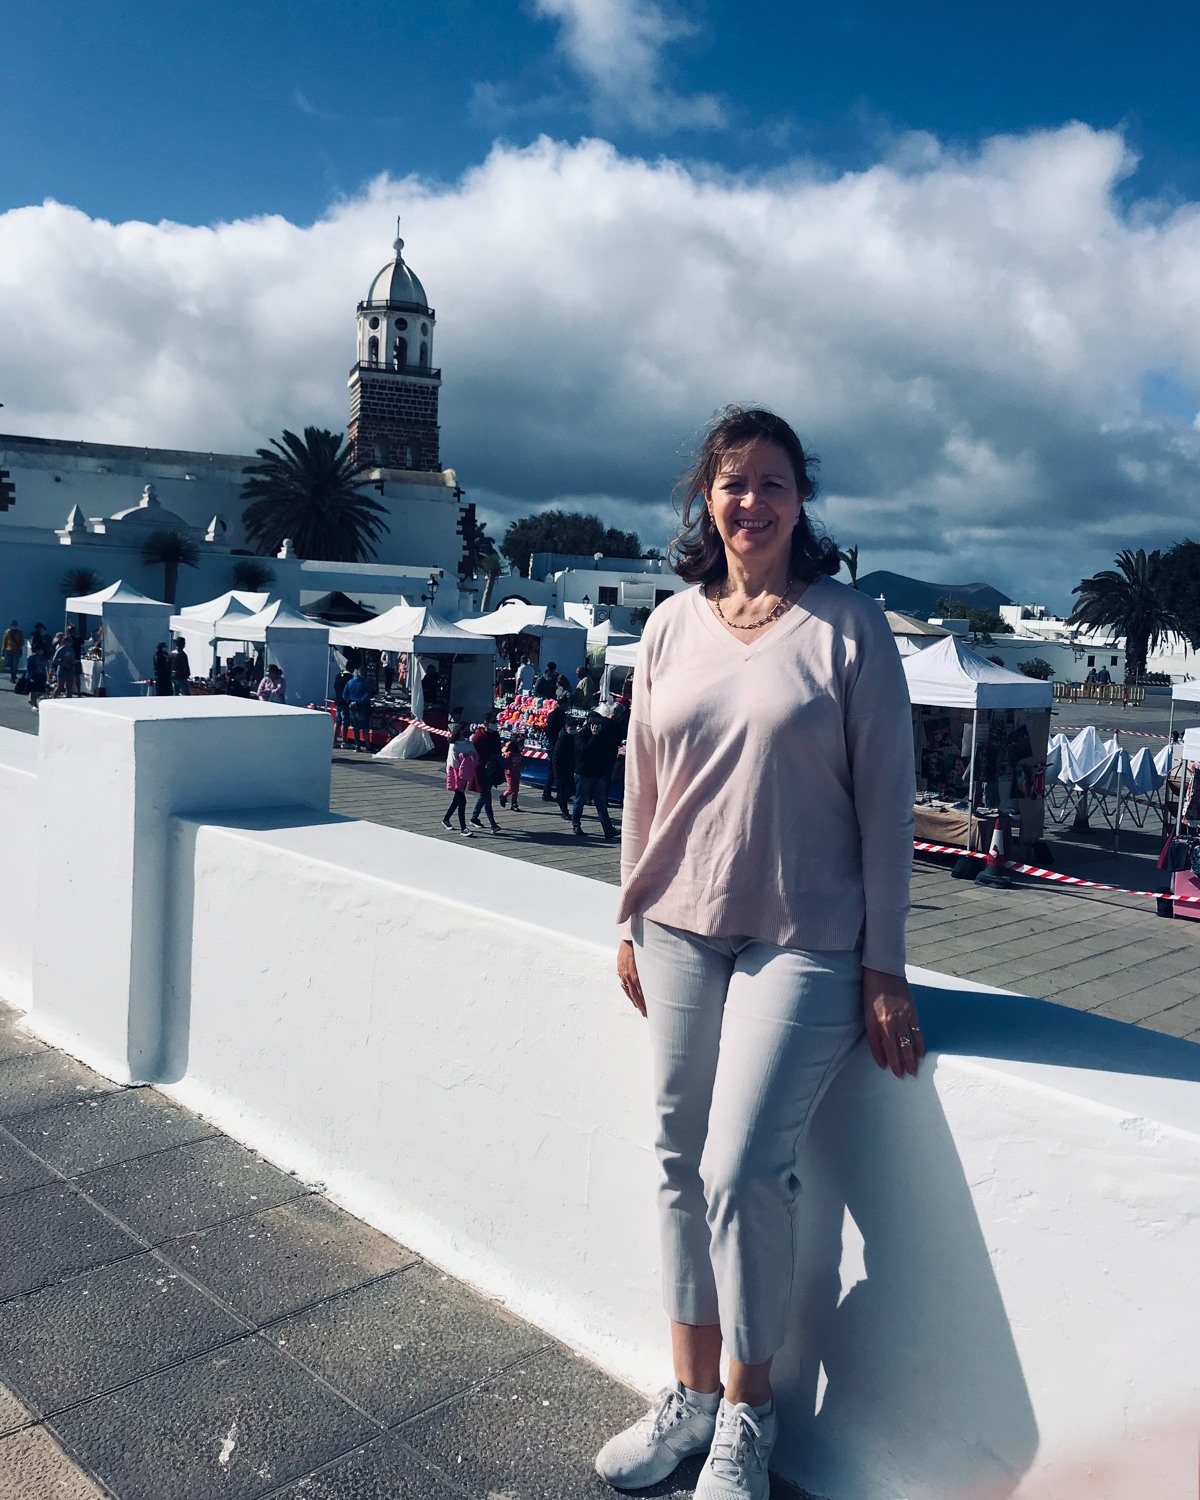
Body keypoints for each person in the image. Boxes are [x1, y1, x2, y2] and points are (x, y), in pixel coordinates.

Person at [596, 406, 921, 1499]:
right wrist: (629, 915)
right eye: (733, 483)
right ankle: (687, 1398)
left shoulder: (848, 627)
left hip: (811, 937)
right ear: (708, 498)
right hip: (679, 921)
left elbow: (885, 805)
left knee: (742, 1168)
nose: (752, 502)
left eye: (773, 483)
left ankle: (748, 1408)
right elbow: (643, 785)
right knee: (675, 1154)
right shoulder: (671, 625)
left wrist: (886, 969)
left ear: (800, 501)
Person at [571, 717, 619, 839]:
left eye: (599, 724)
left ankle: (608, 829)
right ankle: (576, 824)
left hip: (597, 774)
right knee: (580, 800)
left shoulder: (603, 736)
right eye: (596, 724)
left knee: (601, 803)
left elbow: (606, 752)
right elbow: (585, 751)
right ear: (590, 725)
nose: (598, 727)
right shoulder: (581, 735)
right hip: (584, 773)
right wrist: (594, 736)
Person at [442, 723, 480, 836]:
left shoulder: (468, 743)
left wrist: (467, 760)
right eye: (465, 729)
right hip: (456, 775)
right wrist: (466, 760)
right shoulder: (454, 745)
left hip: (466, 774)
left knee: (456, 800)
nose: (468, 731)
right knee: (462, 801)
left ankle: (446, 819)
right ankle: (463, 828)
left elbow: (475, 755)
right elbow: (454, 762)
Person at [469, 711, 504, 833]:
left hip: (492, 769)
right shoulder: (479, 736)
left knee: (484, 795)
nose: (496, 724)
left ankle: (474, 818)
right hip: (482, 770)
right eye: (493, 722)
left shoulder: (495, 735)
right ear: (486, 723)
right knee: (486, 797)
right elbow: (472, 751)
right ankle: (493, 824)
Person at [541, 700, 567, 801]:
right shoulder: (557, 715)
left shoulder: (555, 714)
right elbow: (550, 731)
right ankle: (549, 792)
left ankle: (550, 792)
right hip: (555, 744)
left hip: (554, 743)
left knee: (554, 769)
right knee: (554, 769)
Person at [552, 718, 578, 820]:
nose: (574, 729)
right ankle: (564, 811)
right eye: (572, 728)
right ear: (566, 727)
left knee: (572, 789)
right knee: (563, 790)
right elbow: (556, 756)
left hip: (572, 767)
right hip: (562, 769)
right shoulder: (562, 738)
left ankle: (561, 799)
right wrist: (556, 773)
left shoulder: (574, 737)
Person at [343, 665, 373, 751]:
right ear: (363, 672)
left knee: (355, 727)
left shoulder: (350, 682)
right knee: (365, 727)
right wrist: (358, 702)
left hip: (352, 707)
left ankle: (357, 746)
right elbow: (367, 695)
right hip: (362, 706)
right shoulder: (366, 682)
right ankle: (368, 746)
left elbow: (344, 695)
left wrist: (350, 702)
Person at [498, 732, 525, 811]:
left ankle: (514, 803)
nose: (521, 747)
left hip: (517, 773)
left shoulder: (520, 755)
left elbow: (522, 763)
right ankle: (503, 796)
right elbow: (505, 763)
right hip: (509, 773)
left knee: (516, 789)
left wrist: (520, 765)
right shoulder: (509, 754)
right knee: (511, 789)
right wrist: (510, 766)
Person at [333, 661, 354, 747]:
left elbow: (334, 686)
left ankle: (334, 740)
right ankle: (344, 741)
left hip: (338, 700)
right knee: (345, 722)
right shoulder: (350, 677)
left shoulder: (339, 675)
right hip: (345, 702)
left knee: (337, 721)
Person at [25, 642, 47, 710]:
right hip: (34, 675)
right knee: (33, 690)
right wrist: (30, 677)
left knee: (41, 690)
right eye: (40, 650)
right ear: (36, 650)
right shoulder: (31, 658)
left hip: (41, 675)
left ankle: (32, 700)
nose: (41, 652)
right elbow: (29, 668)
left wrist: (45, 676)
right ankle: (34, 704)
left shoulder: (42, 658)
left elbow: (44, 667)